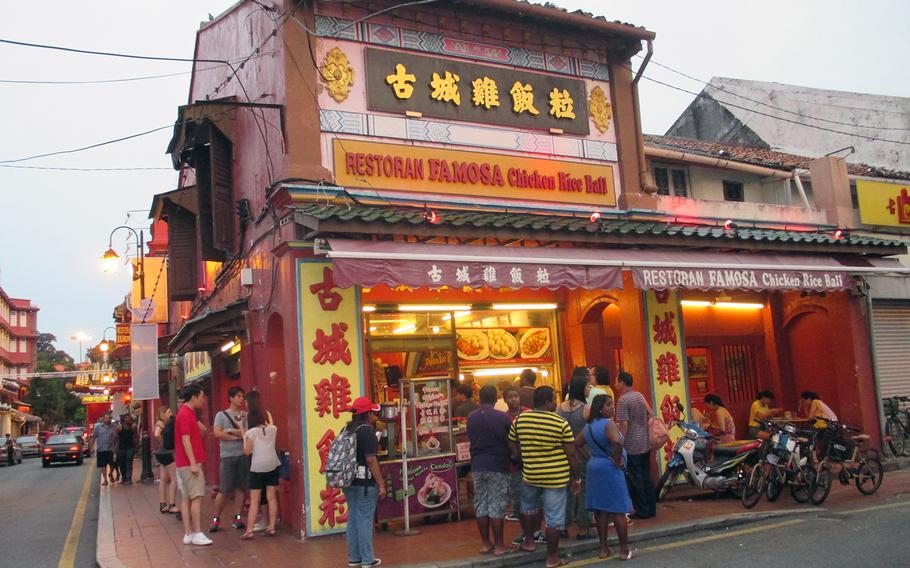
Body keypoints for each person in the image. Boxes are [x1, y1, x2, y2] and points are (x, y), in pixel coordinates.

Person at [509, 386, 581, 568]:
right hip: (556, 477)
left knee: (528, 509)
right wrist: (576, 477)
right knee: (554, 519)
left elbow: (511, 442)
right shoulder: (560, 423)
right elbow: (571, 454)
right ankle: (551, 558)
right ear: (547, 402)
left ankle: (529, 542)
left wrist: (519, 455)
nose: (556, 403)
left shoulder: (520, 420)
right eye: (554, 400)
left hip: (531, 474)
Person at [575, 394, 633, 561]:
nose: (612, 407)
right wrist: (616, 460)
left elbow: (576, 443)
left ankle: (603, 548)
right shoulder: (609, 424)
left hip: (595, 467)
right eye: (608, 405)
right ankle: (624, 549)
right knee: (618, 510)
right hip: (610, 470)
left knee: (601, 511)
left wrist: (590, 457)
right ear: (600, 408)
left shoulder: (589, 426)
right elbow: (618, 442)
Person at [467, 385, 512, 556]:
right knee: (497, 504)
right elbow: (511, 438)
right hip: (498, 464)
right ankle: (499, 545)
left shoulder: (471, 417)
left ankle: (486, 543)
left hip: (478, 464)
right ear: (495, 399)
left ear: (479, 398)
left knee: (481, 504)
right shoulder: (502, 417)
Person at [342, 397, 386, 568]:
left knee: (353, 517)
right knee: (364, 519)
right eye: (373, 413)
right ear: (367, 414)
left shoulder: (347, 429)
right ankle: (368, 559)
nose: (375, 416)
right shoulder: (366, 431)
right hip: (365, 483)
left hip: (348, 481)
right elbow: (371, 459)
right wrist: (381, 483)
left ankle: (354, 558)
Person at [557, 369, 593, 540]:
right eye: (587, 386)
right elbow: (590, 433)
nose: (589, 388)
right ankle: (584, 527)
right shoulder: (586, 409)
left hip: (565, 455)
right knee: (584, 489)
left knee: (567, 490)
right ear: (580, 388)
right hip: (583, 454)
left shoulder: (559, 408)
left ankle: (563, 525)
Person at [614, 371, 656, 519]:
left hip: (632, 445)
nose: (615, 383)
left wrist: (621, 440)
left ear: (622, 382)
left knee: (635, 479)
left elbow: (623, 423)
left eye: (616, 380)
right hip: (644, 443)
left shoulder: (623, 400)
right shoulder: (639, 395)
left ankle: (642, 510)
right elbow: (651, 413)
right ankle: (651, 509)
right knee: (646, 476)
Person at [175, 383, 213, 546]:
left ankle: (189, 533)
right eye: (201, 397)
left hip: (184, 463)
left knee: (186, 498)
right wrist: (193, 463)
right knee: (197, 497)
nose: (203, 400)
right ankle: (197, 532)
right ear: (193, 397)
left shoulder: (186, 413)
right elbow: (185, 440)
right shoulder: (186, 414)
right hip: (190, 463)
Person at [241, 393, 280, 539]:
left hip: (257, 467)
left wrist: (242, 432)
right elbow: (269, 422)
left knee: (255, 500)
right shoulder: (273, 429)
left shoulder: (251, 432)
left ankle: (249, 530)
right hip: (273, 464)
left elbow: (247, 451)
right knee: (271, 497)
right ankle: (271, 527)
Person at [210, 387, 249, 533]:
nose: (241, 399)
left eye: (242, 396)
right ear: (231, 398)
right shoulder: (221, 415)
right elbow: (217, 433)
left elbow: (247, 433)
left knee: (240, 488)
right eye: (238, 396)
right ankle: (215, 519)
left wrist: (231, 431)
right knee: (225, 489)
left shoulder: (244, 415)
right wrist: (237, 436)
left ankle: (237, 517)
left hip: (242, 455)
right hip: (227, 456)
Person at [502, 386, 529, 523]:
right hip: (514, 460)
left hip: (530, 457)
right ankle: (518, 513)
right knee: (517, 488)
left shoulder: (527, 412)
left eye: (516, 396)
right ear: (505, 400)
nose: (513, 399)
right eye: (510, 397)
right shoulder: (504, 417)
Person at [155, 407, 179, 514]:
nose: (171, 413)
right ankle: (172, 504)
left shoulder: (166, 423)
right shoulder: (160, 423)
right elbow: (156, 434)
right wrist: (164, 442)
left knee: (163, 479)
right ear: (162, 413)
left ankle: (162, 504)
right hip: (166, 453)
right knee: (174, 478)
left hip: (161, 453)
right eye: (169, 411)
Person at [92, 414, 117, 486]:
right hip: (101, 449)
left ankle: (111, 473)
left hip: (111, 449)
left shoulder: (114, 427)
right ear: (103, 419)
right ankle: (105, 480)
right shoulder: (98, 427)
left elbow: (116, 437)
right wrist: (92, 447)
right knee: (103, 465)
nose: (108, 419)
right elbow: (94, 437)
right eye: (106, 418)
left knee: (113, 464)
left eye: (109, 418)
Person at [115, 415, 138, 484]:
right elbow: (115, 437)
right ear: (124, 419)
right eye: (127, 418)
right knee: (122, 464)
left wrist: (136, 446)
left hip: (130, 448)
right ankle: (123, 477)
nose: (129, 419)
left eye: (130, 418)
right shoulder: (119, 427)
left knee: (129, 463)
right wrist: (113, 448)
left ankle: (129, 478)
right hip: (121, 448)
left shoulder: (133, 427)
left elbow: (135, 436)